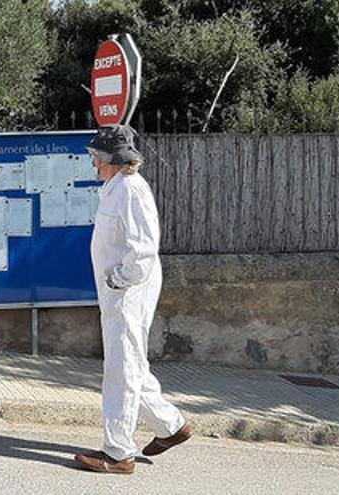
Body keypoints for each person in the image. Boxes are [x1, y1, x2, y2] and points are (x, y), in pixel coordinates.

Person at [74, 125, 192, 474]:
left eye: (96, 157)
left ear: (113, 159)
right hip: (120, 293)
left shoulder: (131, 190)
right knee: (132, 368)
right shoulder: (115, 188)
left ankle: (118, 454)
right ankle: (172, 426)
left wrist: (117, 280)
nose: (93, 163)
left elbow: (142, 249)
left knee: (121, 371)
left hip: (127, 292)